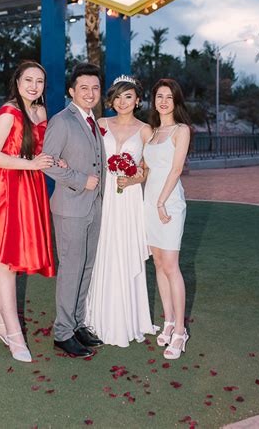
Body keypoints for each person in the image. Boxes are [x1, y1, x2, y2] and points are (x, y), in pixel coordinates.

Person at [0, 61, 57, 363]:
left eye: (39, 81)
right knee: (5, 262)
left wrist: (57, 163)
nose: (33, 86)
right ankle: (15, 335)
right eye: (28, 80)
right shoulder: (9, 112)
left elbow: (43, 151)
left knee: (10, 259)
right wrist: (30, 164)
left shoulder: (41, 112)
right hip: (4, 189)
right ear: (17, 82)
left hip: (30, 189)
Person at [86, 75, 158, 347]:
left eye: (128, 96)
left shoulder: (145, 130)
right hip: (103, 197)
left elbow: (149, 168)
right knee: (102, 250)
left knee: (124, 252)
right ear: (111, 100)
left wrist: (134, 178)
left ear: (138, 100)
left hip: (128, 199)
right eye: (117, 96)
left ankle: (129, 319)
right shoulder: (100, 124)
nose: (122, 101)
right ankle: (95, 317)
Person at [43, 63, 106, 358]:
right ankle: (63, 333)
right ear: (72, 91)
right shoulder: (61, 121)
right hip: (70, 207)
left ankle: (78, 324)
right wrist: (82, 180)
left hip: (94, 207)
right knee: (71, 269)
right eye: (84, 88)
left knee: (87, 267)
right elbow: (49, 161)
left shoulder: (94, 121)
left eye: (95, 87)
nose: (90, 93)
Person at [143, 78, 191, 361]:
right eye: (159, 96)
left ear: (176, 101)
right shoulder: (152, 133)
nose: (163, 101)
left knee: (172, 265)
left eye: (168, 97)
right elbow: (147, 169)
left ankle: (181, 331)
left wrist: (161, 202)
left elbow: (175, 170)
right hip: (150, 203)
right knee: (159, 264)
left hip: (169, 203)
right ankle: (169, 321)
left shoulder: (180, 130)